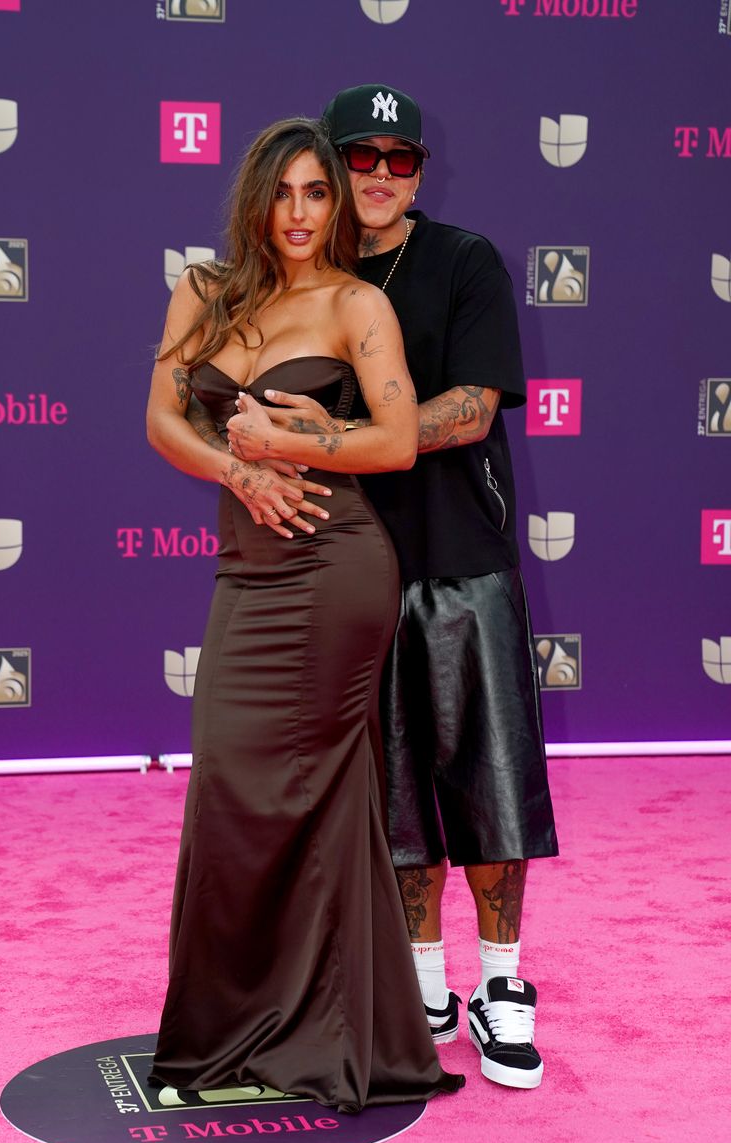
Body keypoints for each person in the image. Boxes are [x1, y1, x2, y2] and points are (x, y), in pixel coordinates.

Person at [145, 116, 462, 1113]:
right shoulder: (202, 291)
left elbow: (400, 440)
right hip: (249, 572)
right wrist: (239, 470)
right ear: (254, 199)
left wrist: (302, 445)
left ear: (335, 206)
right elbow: (162, 417)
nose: (297, 213)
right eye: (282, 193)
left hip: (335, 569)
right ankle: (232, 1026)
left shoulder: (357, 304)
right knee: (231, 785)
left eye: (315, 194)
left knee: (322, 799)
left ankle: (323, 1034)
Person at [257, 86, 560, 1090]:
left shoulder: (463, 261)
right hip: (349, 568)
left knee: (488, 784)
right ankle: (425, 982)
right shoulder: (309, 276)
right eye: (361, 158)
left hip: (460, 560)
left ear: (419, 172)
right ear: (329, 167)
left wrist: (341, 442)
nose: (381, 177)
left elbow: (471, 409)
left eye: (401, 160)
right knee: (391, 798)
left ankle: (502, 985)